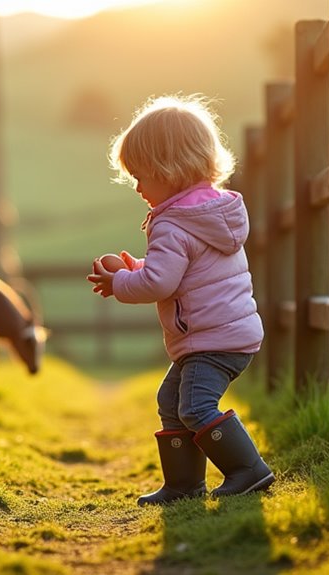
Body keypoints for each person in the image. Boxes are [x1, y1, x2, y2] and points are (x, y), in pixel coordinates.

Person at [86, 94, 273, 506]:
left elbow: (159, 283)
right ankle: (183, 485)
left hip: (212, 340)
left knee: (195, 406)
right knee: (171, 402)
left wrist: (120, 282)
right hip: (226, 333)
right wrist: (137, 267)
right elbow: (180, 271)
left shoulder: (174, 223)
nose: (137, 187)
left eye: (141, 176)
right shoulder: (210, 213)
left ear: (168, 169)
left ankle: (249, 470)